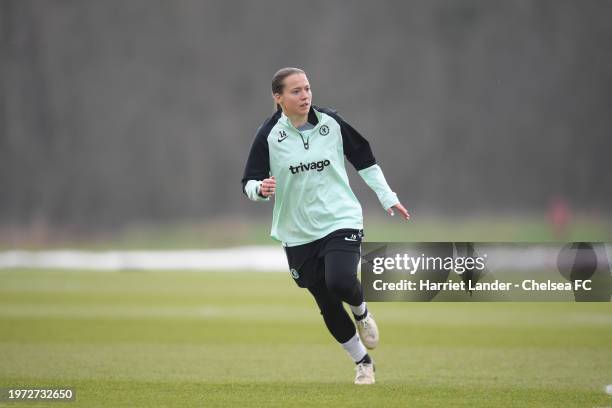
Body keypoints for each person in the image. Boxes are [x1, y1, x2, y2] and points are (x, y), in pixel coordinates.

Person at [241, 67, 410, 385]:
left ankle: (361, 312)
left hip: (340, 218)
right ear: (278, 97)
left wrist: (388, 197)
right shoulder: (268, 135)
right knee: (327, 302)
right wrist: (259, 190)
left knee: (340, 280)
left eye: (307, 89)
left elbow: (365, 159)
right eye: (296, 91)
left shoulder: (331, 123)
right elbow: (248, 181)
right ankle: (363, 362)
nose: (304, 95)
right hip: (297, 232)